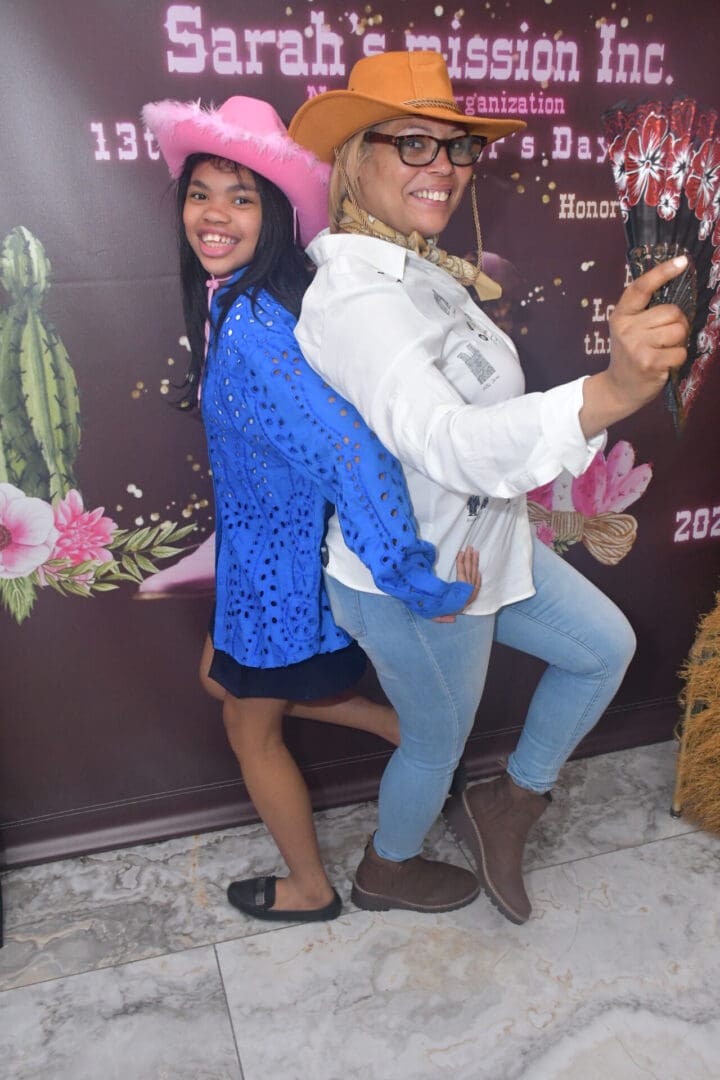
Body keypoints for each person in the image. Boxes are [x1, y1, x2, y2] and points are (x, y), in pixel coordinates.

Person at [288, 50, 690, 923]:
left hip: (491, 544)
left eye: (458, 148)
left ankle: (510, 805)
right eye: (414, 144)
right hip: (421, 579)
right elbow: (447, 442)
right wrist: (613, 393)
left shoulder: (421, 266)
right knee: (436, 741)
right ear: (357, 158)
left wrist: (603, 391)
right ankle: (386, 867)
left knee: (602, 649)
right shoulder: (358, 296)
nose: (445, 168)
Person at [141, 94, 481, 923]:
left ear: (277, 210)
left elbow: (352, 455)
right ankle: (417, 743)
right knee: (220, 684)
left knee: (249, 735)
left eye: (241, 196)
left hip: (281, 584)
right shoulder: (233, 303)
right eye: (201, 193)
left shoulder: (258, 326)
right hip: (256, 573)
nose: (214, 215)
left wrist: (414, 579)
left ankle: (311, 889)